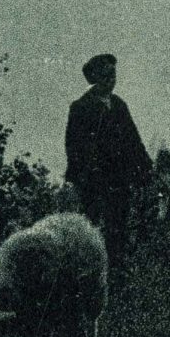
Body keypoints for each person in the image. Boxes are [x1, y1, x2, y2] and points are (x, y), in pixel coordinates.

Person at [64, 53, 154, 288]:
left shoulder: (119, 105)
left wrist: (145, 167)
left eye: (113, 75)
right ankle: (90, 276)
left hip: (119, 178)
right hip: (94, 180)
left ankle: (117, 274)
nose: (110, 80)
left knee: (118, 225)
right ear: (94, 78)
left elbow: (134, 139)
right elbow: (72, 146)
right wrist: (80, 175)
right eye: (104, 76)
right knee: (92, 226)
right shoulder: (80, 108)